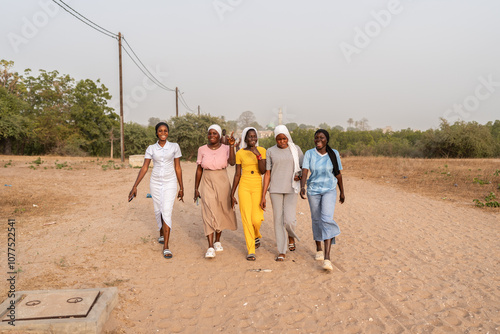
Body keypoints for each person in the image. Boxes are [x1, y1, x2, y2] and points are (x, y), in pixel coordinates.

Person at [128, 122, 184, 259]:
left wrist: (181, 187)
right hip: (155, 182)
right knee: (158, 209)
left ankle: (166, 246)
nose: (163, 132)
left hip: (170, 182)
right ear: (156, 133)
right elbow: (145, 167)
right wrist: (135, 186)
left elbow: (178, 167)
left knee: (166, 210)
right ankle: (161, 233)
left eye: (165, 130)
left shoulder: (174, 147)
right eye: (160, 131)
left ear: (168, 132)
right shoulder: (151, 148)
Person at [300, 129, 345, 271]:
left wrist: (342, 192)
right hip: (313, 190)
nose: (318, 140)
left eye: (321, 137)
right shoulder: (309, 153)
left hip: (329, 190)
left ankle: (327, 258)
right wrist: (302, 186)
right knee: (316, 219)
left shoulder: (334, 154)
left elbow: (338, 174)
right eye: (316, 138)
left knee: (326, 218)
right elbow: (305, 171)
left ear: (327, 140)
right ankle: (318, 248)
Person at [260, 125, 304, 262]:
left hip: (291, 188)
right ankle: (281, 250)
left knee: (289, 220)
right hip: (275, 189)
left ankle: (291, 235)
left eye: (284, 138)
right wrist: (263, 195)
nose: (282, 142)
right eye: (279, 139)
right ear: (275, 139)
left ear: (287, 137)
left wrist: (300, 175)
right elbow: (267, 173)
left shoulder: (296, 150)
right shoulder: (270, 151)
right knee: (278, 221)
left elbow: (304, 168)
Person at [194, 125, 238, 259]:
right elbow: (199, 169)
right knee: (208, 210)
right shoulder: (202, 149)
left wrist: (231, 146)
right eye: (210, 133)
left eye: (215, 133)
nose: (212, 136)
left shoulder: (226, 148)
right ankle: (210, 246)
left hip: (222, 180)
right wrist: (195, 188)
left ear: (219, 136)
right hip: (207, 180)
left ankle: (217, 240)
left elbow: (232, 162)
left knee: (221, 209)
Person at [231, 127, 266, 261]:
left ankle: (256, 234)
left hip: (257, 185)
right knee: (246, 218)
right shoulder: (240, 153)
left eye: (254, 136)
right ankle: (251, 250)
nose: (252, 139)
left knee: (256, 219)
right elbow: (237, 174)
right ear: (245, 139)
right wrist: (231, 193)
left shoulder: (262, 151)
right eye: (250, 137)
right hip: (244, 186)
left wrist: (258, 155)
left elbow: (262, 171)